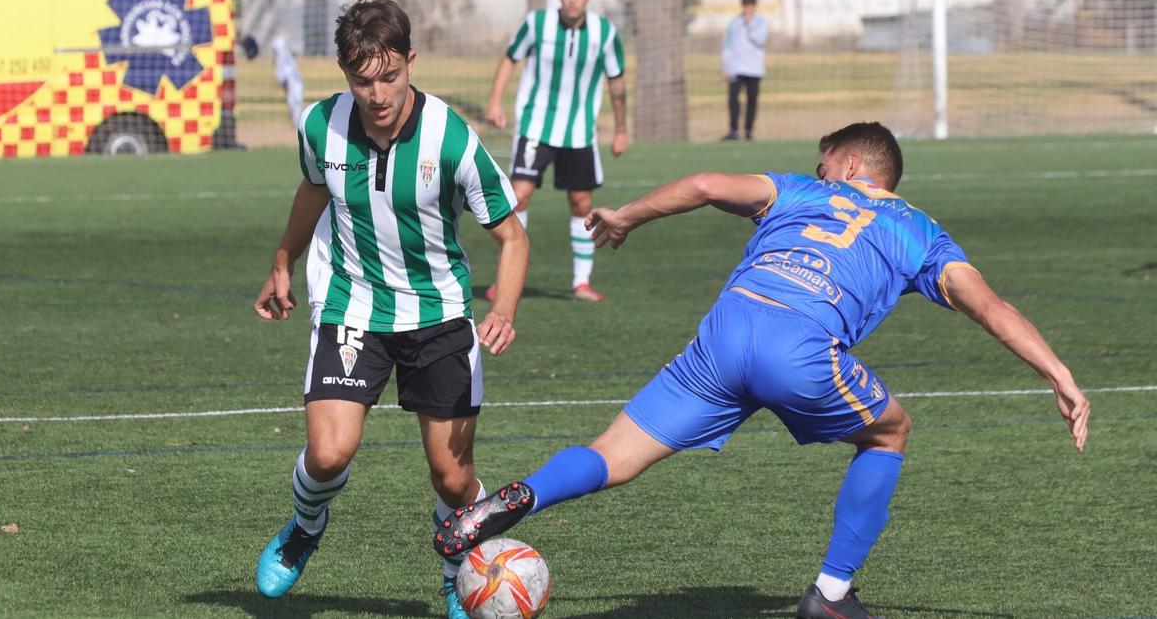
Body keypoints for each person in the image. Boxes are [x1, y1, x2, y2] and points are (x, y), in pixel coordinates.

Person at [434, 122, 1090, 619]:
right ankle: (831, 593)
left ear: (852, 163)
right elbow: (991, 307)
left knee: (614, 455)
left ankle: (521, 496)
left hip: (725, 332)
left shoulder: (803, 191)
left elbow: (704, 186)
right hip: (799, 348)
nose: (816, 167)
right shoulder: (921, 232)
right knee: (889, 431)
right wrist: (1059, 372)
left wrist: (627, 215)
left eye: (824, 159)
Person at [253, 0, 529, 619]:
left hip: (439, 316)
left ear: (411, 60)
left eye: (389, 76)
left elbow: (512, 235)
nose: (376, 94)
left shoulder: (451, 138)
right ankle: (304, 526)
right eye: (361, 79)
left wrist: (504, 307)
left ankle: (462, 571)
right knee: (327, 453)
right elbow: (313, 188)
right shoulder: (321, 127)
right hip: (353, 306)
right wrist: (283, 259)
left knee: (453, 479)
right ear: (345, 74)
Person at [485, 0, 628, 303]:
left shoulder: (605, 32)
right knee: (517, 196)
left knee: (582, 204)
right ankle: (505, 278)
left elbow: (617, 81)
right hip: (536, 127)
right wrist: (495, 102)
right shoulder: (537, 24)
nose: (573, 0)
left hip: (579, 134)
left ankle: (581, 282)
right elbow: (509, 59)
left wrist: (621, 128)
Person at [721, 0, 767, 141]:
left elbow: (760, 40)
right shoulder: (734, 22)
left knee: (752, 99)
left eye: (750, 6)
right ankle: (734, 130)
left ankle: (748, 131)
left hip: (754, 69)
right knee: (733, 97)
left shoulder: (761, 22)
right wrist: (726, 67)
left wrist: (749, 24)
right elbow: (727, 46)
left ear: (754, 7)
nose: (748, 9)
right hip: (736, 68)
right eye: (746, 6)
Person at [271, 35, 304, 128]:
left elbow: (284, 74)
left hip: (295, 83)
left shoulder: (286, 59)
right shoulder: (280, 59)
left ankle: (297, 122)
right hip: (290, 84)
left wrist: (280, 79)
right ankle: (295, 122)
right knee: (292, 101)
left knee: (296, 101)